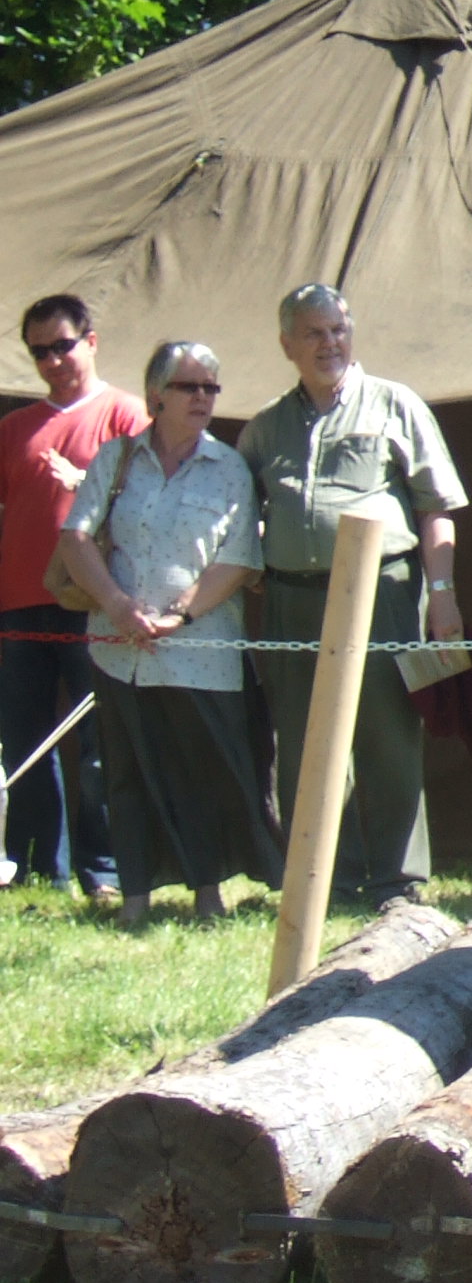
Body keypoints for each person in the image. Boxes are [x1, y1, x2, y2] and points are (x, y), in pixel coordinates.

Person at [238, 283, 467, 910]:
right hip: (290, 600)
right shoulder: (263, 428)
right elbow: (243, 518)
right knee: (302, 738)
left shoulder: (395, 405)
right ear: (287, 344)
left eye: (337, 330)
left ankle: (397, 883)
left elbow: (437, 507)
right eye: (312, 333)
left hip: (383, 590)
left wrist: (442, 595)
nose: (328, 343)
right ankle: (324, 880)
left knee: (387, 735)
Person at [52, 343, 283, 925]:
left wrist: (178, 615)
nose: (203, 397)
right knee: (125, 776)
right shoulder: (117, 458)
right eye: (190, 387)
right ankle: (134, 901)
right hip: (117, 647)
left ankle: (208, 895)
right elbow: (77, 537)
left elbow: (239, 559)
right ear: (156, 394)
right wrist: (116, 605)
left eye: (211, 387)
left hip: (201, 652)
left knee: (202, 772)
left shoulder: (229, 466)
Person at [0, 294, 143, 904]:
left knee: (98, 739)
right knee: (25, 740)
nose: (53, 361)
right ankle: (38, 868)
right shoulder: (13, 429)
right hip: (17, 602)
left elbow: (148, 503)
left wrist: (85, 486)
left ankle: (103, 871)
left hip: (96, 600)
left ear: (91, 340)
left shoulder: (126, 414)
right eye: (39, 352)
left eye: (62, 345)